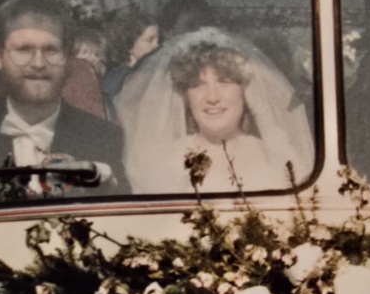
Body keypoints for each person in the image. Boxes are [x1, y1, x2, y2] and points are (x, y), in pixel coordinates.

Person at [0, 0, 126, 198]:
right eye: (23, 49)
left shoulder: (104, 139)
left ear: (68, 59)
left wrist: (108, 187)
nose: (38, 63)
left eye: (51, 50)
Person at [115, 27, 314, 194]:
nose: (212, 97)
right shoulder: (169, 159)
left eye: (225, 82)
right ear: (185, 96)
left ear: (244, 91)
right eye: (197, 85)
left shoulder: (273, 153)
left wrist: (265, 118)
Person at [100, 10, 161, 114]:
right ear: (129, 45)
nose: (156, 45)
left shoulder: (154, 72)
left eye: (158, 40)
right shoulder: (117, 79)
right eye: (150, 40)